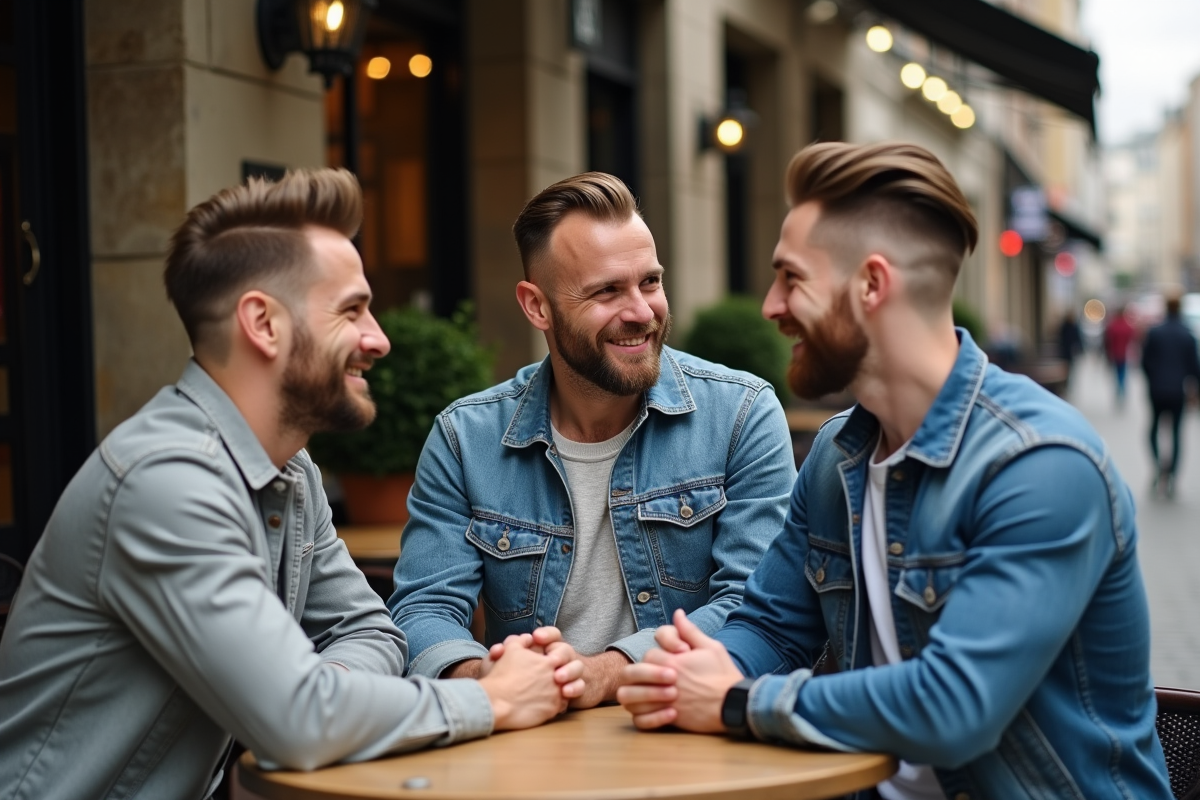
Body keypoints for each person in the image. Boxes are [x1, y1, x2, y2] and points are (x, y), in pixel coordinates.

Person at [0, 170, 583, 800]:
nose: (378, 339)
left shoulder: (290, 469)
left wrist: (324, 697)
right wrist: (486, 699)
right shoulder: (167, 481)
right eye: (352, 310)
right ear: (264, 324)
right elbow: (297, 724)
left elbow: (372, 635)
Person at [617, 142, 1172, 800]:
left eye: (792, 278)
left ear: (872, 285)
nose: (770, 305)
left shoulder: (1040, 463)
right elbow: (771, 624)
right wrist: (695, 669)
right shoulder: (835, 457)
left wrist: (739, 701)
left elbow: (955, 706)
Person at [389, 172, 796, 709]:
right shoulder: (466, 438)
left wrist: (605, 673)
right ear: (537, 307)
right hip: (528, 746)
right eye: (607, 291)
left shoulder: (741, 414)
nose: (642, 311)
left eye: (649, 282)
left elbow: (754, 606)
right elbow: (423, 608)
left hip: (688, 738)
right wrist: (483, 675)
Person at [1140, 292, 1200, 498]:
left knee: (1153, 430)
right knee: (1175, 434)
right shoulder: (1187, 334)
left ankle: (1159, 466)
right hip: (1178, 391)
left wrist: (1152, 379)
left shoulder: (1155, 332)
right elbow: (1194, 367)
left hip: (1157, 390)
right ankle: (1172, 475)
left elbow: (1144, 362)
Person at [1103, 304, 1137, 406]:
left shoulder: (1112, 325)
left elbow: (1107, 341)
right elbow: (1132, 338)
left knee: (1117, 375)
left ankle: (1119, 393)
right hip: (1124, 354)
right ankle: (1122, 393)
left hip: (1114, 354)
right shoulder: (1127, 326)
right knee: (1123, 375)